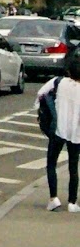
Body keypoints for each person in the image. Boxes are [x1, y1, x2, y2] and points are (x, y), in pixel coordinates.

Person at [38, 52, 80, 211]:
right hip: (76, 133)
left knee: (51, 163)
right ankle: (72, 202)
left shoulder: (58, 82)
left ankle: (53, 198)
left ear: (69, 71)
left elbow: (41, 94)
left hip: (58, 129)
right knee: (73, 166)